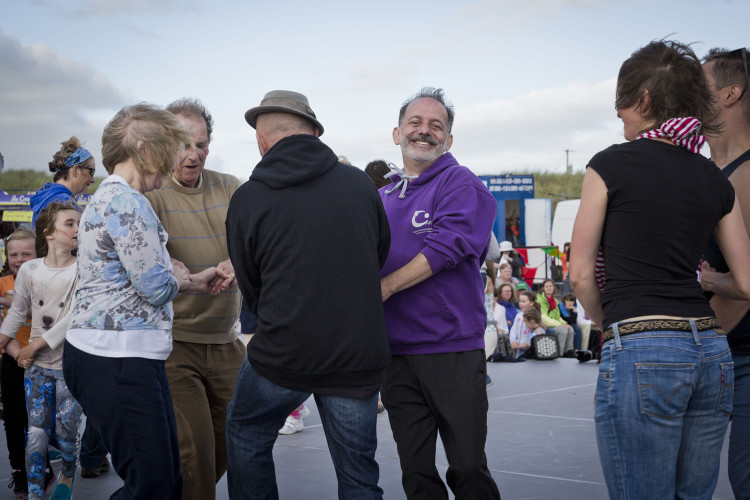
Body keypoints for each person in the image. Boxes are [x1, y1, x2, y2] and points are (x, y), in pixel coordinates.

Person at [570, 40, 750, 500]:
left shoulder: (608, 165)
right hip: (712, 352)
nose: (619, 116)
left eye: (622, 103)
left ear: (645, 100)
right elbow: (747, 284)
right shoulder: (712, 176)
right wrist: (709, 280)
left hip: (642, 342)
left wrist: (608, 322)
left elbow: (580, 275)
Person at [225, 90, 391, 499]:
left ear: (262, 143)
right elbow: (379, 253)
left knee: (246, 434)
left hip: (283, 353)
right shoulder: (358, 185)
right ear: (316, 133)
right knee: (359, 478)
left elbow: (250, 282)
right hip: (356, 354)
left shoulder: (248, 197)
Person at [62, 103, 220, 500]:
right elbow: (155, 287)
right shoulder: (129, 203)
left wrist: (187, 281)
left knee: (166, 480)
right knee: (153, 485)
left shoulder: (107, 198)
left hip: (119, 358)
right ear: (147, 150)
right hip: (116, 360)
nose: (178, 159)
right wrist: (178, 278)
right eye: (172, 147)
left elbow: (130, 276)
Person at [378, 87, 500, 499]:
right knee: (416, 473)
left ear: (448, 139)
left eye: (436, 125)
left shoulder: (461, 183)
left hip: (451, 349)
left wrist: (386, 287)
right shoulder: (379, 199)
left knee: (467, 467)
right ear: (397, 134)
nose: (424, 132)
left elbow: (446, 248)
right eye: (415, 123)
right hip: (395, 355)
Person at [145, 98, 245, 500]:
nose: (193, 155)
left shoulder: (232, 186)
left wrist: (239, 261)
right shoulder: (150, 196)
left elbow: (257, 245)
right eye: (184, 144)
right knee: (196, 454)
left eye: (201, 145)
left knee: (234, 445)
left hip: (227, 341)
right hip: (175, 344)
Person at [0, 202, 83, 500]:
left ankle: (67, 474)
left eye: (79, 223)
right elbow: (17, 312)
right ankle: (35, 495)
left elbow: (73, 316)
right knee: (35, 437)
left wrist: (32, 346)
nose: (77, 229)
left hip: (69, 367)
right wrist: (5, 339)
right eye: (70, 223)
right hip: (35, 370)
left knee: (67, 436)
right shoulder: (31, 270)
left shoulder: (83, 268)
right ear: (48, 232)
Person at [702, 46, 750, 499]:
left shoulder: (746, 175)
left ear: (731, 94)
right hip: (720, 353)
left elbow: (745, 289)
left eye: (702, 84)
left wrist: (695, 348)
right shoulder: (705, 170)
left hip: (736, 354)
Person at [0, 228, 40, 498]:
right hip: (12, 358)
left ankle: (43, 468)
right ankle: (19, 471)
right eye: (13, 254)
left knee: (39, 421)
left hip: (44, 358)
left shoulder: (48, 280)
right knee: (14, 419)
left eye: (27, 253)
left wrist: (5, 301)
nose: (19, 258)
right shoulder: (2, 282)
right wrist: (16, 355)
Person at [29, 137, 95, 227]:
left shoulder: (46, 196)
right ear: (75, 170)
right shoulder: (65, 203)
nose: (93, 180)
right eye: (91, 172)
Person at [536, 279, 575, 356]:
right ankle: (559, 354)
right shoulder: (540, 299)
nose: (549, 288)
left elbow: (558, 317)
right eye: (546, 286)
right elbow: (544, 318)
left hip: (553, 324)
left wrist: (565, 323)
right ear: (543, 288)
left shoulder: (555, 300)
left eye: (550, 286)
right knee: (563, 330)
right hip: (544, 325)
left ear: (553, 287)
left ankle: (568, 352)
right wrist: (560, 325)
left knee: (570, 328)